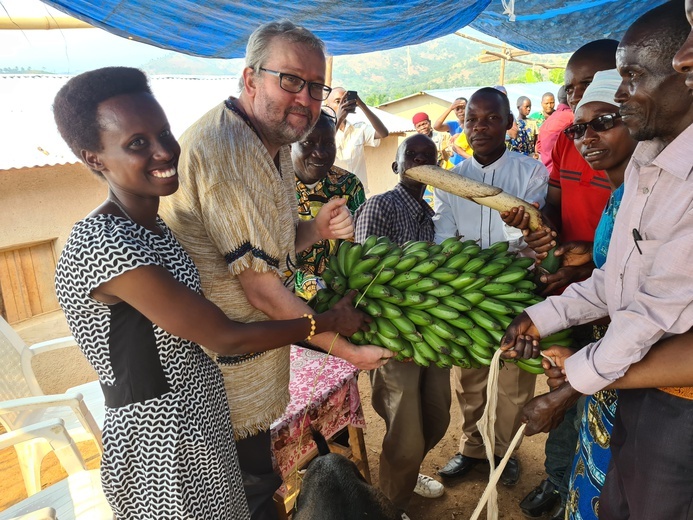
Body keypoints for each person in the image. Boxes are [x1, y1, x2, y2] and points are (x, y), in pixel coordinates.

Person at [51, 66, 369, 519]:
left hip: (202, 420)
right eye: (137, 143)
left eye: (163, 132)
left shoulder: (154, 227)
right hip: (161, 444)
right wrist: (326, 324)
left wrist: (313, 230)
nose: (163, 150)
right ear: (95, 158)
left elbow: (245, 255)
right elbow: (225, 335)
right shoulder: (104, 243)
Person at [159, 21, 393, 520]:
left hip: (252, 364)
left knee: (259, 487)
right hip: (220, 376)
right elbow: (262, 289)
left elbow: (277, 241)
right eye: (290, 80)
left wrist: (316, 228)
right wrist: (344, 348)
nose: (305, 98)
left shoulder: (274, 144)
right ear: (249, 80)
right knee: (248, 499)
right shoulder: (230, 151)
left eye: (315, 86)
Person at [502, 2, 693, 518]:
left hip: (679, 402)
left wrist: (568, 389)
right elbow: (612, 280)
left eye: (632, 76)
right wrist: (540, 318)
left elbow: (656, 311)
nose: (621, 91)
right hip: (635, 378)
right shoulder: (648, 167)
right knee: (616, 502)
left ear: (687, 72)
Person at [501, 39, 619, 520]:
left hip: (604, 293)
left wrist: (589, 264)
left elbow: (636, 275)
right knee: (565, 379)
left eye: (587, 86)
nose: (573, 99)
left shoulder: (646, 171)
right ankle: (557, 478)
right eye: (569, 89)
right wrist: (538, 222)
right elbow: (555, 200)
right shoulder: (575, 140)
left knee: (598, 395)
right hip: (573, 287)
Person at [434, 87, 549, 488]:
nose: (479, 127)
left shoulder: (531, 172)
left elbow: (526, 235)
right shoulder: (451, 177)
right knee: (470, 376)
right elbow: (445, 231)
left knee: (513, 378)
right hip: (468, 290)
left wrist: (517, 228)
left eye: (490, 119)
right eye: (472, 120)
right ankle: (471, 448)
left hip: (513, 287)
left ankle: (505, 452)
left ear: (507, 123)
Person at [353, 134, 450, 516]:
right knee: (404, 434)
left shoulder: (431, 216)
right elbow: (365, 280)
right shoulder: (380, 207)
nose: (421, 161)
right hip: (393, 342)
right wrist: (403, 335)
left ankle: (407, 475)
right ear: (397, 165)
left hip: (431, 338)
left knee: (437, 417)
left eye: (430, 156)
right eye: (413, 155)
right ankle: (389, 506)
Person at [293, 109, 366, 300]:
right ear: (289, 145)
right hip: (281, 303)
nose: (320, 153)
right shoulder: (272, 186)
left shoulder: (349, 185)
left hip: (339, 301)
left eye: (328, 144)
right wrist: (309, 285)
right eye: (308, 142)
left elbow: (358, 248)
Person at [324, 87, 389, 195]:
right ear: (328, 106)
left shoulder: (359, 129)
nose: (343, 104)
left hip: (358, 192)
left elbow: (383, 133)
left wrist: (362, 105)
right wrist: (339, 119)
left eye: (345, 100)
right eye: (338, 101)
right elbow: (324, 145)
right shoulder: (323, 131)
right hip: (334, 193)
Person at [536, 86, 573, 173]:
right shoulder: (574, 118)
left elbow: (539, 147)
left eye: (551, 102)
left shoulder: (546, 123)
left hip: (547, 173)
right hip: (565, 174)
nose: (549, 106)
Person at [432, 96, 472, 165]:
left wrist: (460, 135)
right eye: (457, 109)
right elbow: (436, 126)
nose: (460, 111)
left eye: (463, 108)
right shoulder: (453, 124)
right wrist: (450, 108)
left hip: (470, 161)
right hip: (455, 163)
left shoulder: (474, 124)